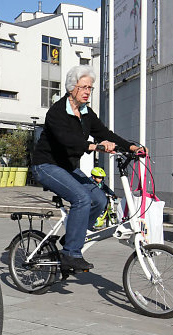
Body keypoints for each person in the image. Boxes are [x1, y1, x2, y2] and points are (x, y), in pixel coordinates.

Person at [31, 65, 145, 276]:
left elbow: (105, 133)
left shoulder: (86, 113)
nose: (87, 92)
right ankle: (71, 254)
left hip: (67, 167)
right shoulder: (57, 112)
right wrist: (93, 146)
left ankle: (74, 235)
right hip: (46, 165)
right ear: (72, 88)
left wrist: (132, 147)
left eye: (90, 88)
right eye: (83, 87)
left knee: (100, 199)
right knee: (82, 198)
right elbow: (67, 141)